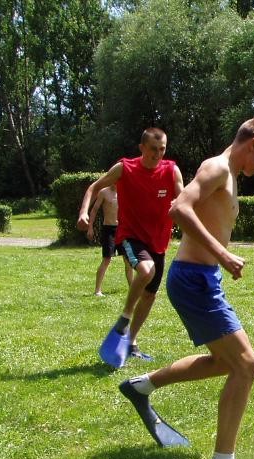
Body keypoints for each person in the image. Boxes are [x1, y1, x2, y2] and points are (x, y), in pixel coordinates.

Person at [119, 117, 254, 459]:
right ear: (253, 143)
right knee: (246, 366)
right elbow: (179, 208)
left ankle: (141, 386)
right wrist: (223, 255)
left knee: (226, 362)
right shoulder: (217, 168)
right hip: (194, 279)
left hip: (202, 278)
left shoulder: (230, 175)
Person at [77, 127, 184, 366]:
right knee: (146, 270)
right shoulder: (125, 168)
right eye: (153, 149)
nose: (158, 154)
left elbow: (184, 200)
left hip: (159, 241)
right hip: (130, 236)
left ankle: (131, 343)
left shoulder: (171, 170)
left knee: (150, 294)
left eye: (162, 149)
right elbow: (94, 187)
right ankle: (124, 319)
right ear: (142, 148)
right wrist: (84, 213)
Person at [86, 184, 134, 296]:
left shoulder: (125, 191)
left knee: (128, 260)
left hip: (123, 229)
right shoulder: (104, 192)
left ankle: (132, 289)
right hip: (109, 230)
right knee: (106, 259)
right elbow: (94, 210)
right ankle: (97, 290)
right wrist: (90, 227)